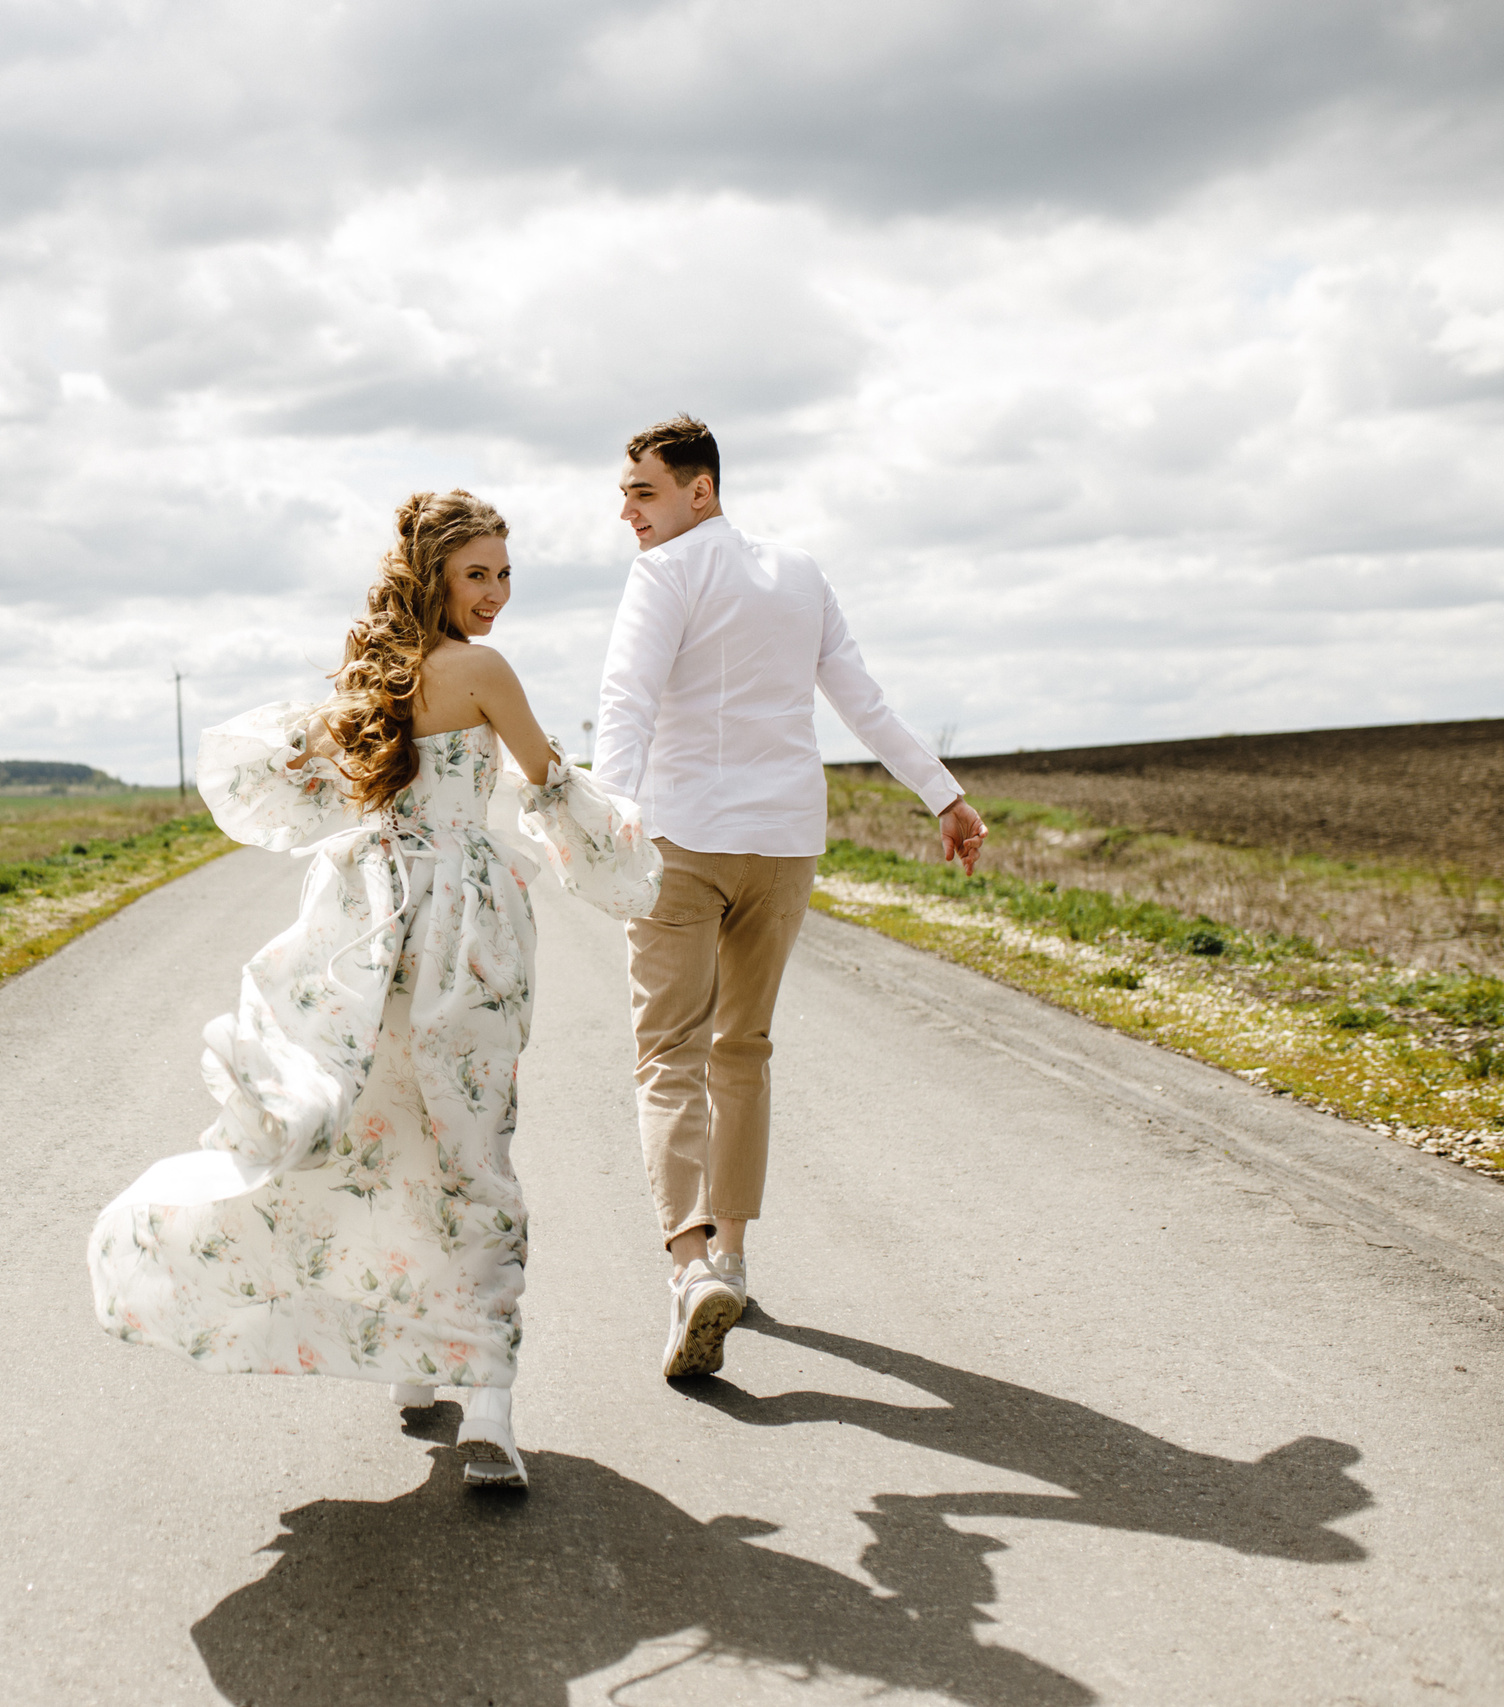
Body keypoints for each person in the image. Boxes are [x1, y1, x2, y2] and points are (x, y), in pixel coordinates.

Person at [89, 489, 663, 1490]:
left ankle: (414, 1363)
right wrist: (621, 858)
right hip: (465, 926)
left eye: (503, 572)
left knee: (382, 1128)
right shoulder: (482, 671)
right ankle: (485, 1398)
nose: (496, 592)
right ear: (434, 573)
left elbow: (294, 785)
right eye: (478, 572)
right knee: (470, 1142)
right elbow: (548, 786)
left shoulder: (372, 677)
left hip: (363, 914)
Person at [595, 416, 987, 1381]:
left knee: (667, 1056)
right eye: (625, 494)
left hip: (683, 842)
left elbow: (626, 700)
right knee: (743, 1049)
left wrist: (605, 819)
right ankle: (731, 1252)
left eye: (644, 491)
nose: (628, 512)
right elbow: (864, 701)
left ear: (701, 490)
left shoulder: (665, 575)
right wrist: (945, 793)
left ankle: (693, 1269)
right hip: (782, 847)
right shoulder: (802, 572)